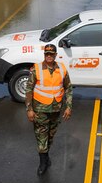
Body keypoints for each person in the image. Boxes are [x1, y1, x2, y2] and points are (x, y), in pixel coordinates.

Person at [25, 43, 72, 175]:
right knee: (41, 135)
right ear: (44, 55)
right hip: (40, 109)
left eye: (52, 54)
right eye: (47, 54)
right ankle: (43, 162)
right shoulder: (36, 69)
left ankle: (46, 155)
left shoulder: (62, 69)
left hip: (56, 110)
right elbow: (28, 90)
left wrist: (68, 107)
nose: (49, 56)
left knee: (51, 135)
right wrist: (29, 109)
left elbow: (68, 88)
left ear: (56, 55)